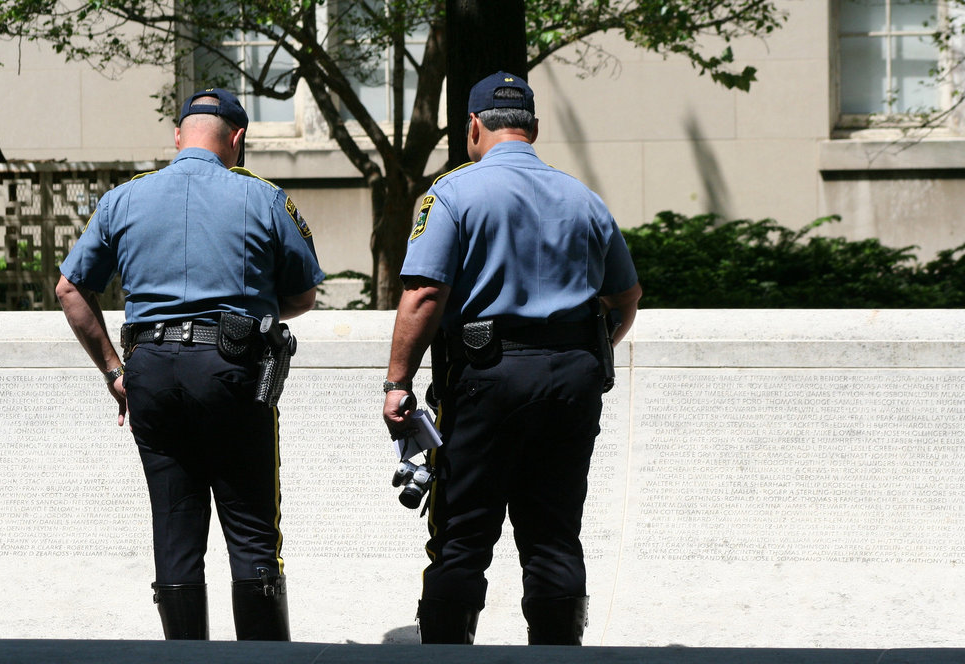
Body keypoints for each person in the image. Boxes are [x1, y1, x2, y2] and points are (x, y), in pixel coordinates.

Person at [383, 71, 642, 646]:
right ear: (534, 129)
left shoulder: (451, 194)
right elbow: (626, 297)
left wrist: (397, 382)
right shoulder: (584, 197)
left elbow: (425, 293)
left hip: (488, 379)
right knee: (553, 533)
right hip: (572, 379)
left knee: (462, 535)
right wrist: (589, 349)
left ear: (472, 126)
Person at [55, 88, 324, 641]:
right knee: (250, 532)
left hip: (148, 367)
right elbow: (305, 294)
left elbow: (69, 288)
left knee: (175, 531)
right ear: (238, 139)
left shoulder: (123, 199)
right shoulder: (265, 198)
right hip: (230, 369)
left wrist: (113, 369)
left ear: (178, 137)